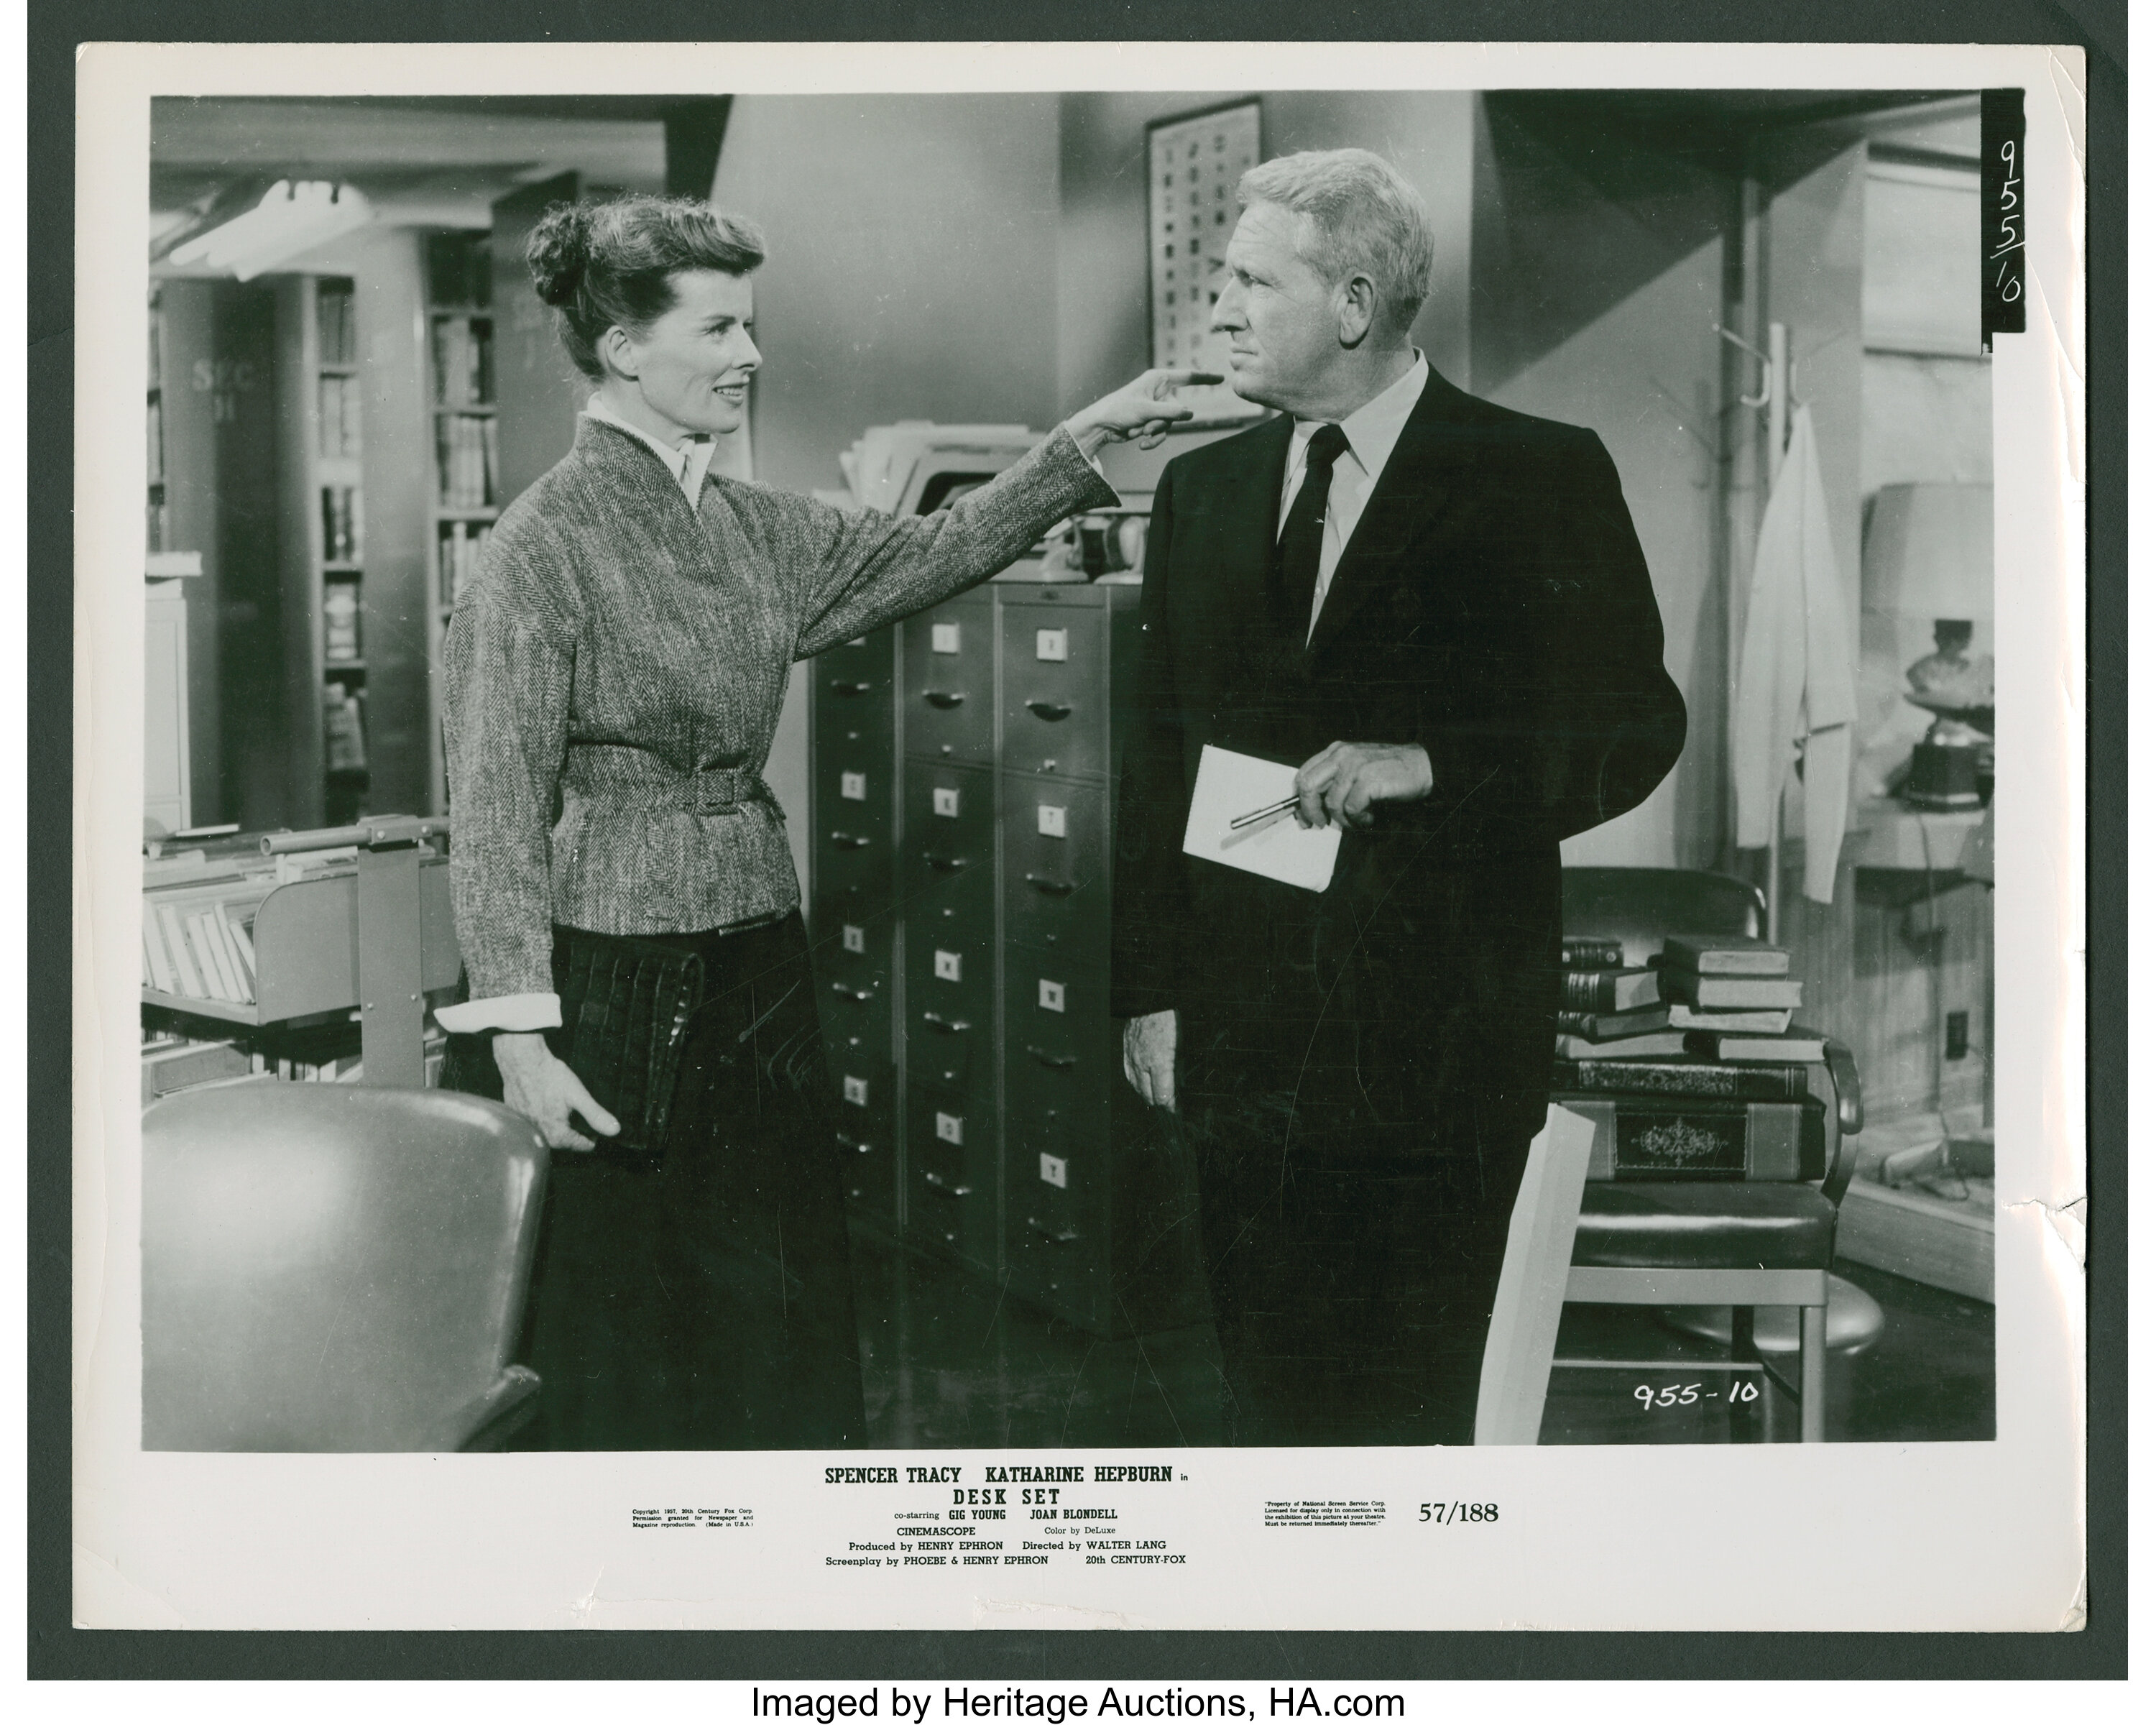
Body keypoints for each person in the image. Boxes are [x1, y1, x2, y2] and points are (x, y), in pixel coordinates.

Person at [440, 192, 1210, 1450]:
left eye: (753, 325)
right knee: (634, 1323)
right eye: (718, 329)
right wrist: (522, 1040)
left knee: (784, 1301)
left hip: (760, 961)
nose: (749, 355)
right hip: (613, 977)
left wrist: (1087, 440)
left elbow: (939, 545)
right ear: (625, 348)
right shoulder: (541, 544)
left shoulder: (750, 524)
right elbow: (495, 803)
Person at [1111, 150, 1687, 1446]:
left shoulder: (1533, 473)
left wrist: (1436, 767)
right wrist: (1150, 990)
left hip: (1434, 1043)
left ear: (1356, 304)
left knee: (1411, 1410)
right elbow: (1157, 766)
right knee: (1268, 1395)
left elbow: (1635, 725)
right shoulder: (1199, 495)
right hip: (1246, 1043)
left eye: (1251, 281)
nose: (1220, 311)